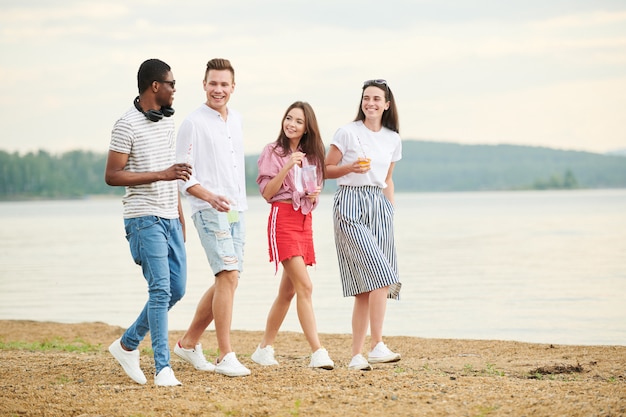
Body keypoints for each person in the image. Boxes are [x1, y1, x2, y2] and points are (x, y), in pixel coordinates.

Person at [105, 58, 191, 386]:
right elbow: (112, 176)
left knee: (176, 290)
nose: (174, 90)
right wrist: (161, 175)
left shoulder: (167, 123)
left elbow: (173, 172)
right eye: (171, 84)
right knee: (159, 289)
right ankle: (163, 368)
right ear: (156, 86)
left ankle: (127, 344)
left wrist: (180, 215)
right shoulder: (125, 124)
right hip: (142, 218)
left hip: (170, 217)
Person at [173, 58, 250, 377]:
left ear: (233, 87)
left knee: (228, 279)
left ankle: (188, 343)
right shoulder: (193, 122)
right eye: (213, 83)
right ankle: (225, 354)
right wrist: (209, 196)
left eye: (224, 84)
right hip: (207, 209)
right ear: (204, 85)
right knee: (227, 276)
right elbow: (180, 174)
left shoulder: (237, 121)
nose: (218, 89)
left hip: (237, 209)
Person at [324, 79, 402, 371]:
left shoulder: (393, 138)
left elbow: (388, 179)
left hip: (379, 206)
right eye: (366, 98)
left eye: (376, 99)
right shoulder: (346, 132)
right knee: (383, 276)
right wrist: (349, 168)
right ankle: (377, 345)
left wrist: (390, 211)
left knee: (364, 289)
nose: (370, 103)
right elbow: (325, 170)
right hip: (350, 204)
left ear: (386, 105)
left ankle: (357, 356)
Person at [251, 101, 334, 370]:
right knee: (305, 287)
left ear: (307, 126)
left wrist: (314, 194)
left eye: (298, 121)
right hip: (282, 219)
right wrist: (287, 165)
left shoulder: (313, 155)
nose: (292, 124)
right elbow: (267, 193)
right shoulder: (272, 152)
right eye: (289, 118)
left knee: (287, 293)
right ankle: (317, 351)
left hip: (303, 221)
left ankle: (264, 349)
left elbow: (314, 190)